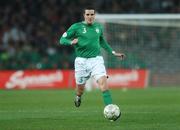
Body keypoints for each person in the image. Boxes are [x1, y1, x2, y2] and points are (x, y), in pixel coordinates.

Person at [60, 7, 125, 107]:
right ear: (84, 15)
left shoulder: (98, 27)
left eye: (92, 14)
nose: (90, 17)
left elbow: (102, 41)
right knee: (80, 89)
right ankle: (78, 96)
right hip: (81, 62)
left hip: (96, 60)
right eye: (88, 14)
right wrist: (70, 42)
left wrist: (113, 52)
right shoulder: (76, 27)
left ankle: (110, 108)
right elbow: (62, 40)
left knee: (103, 83)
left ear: (94, 16)